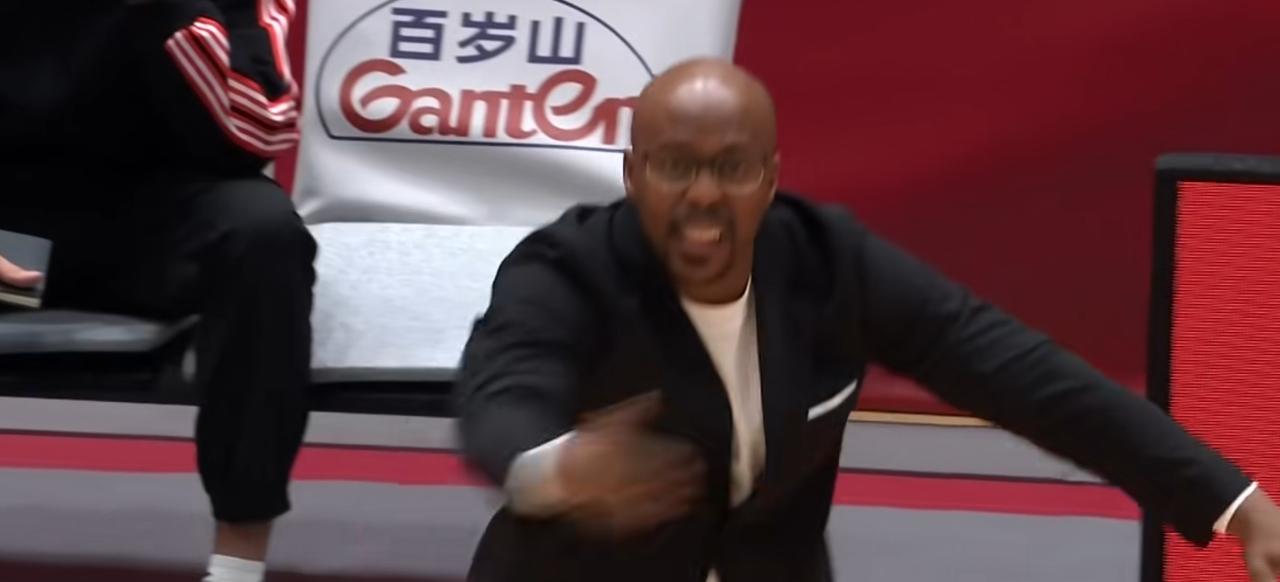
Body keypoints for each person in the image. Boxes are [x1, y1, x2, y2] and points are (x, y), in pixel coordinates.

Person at [455, 58, 1280, 582]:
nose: (703, 195)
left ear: (770, 178)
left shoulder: (831, 264)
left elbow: (1032, 381)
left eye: (732, 169)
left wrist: (1237, 504)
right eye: (675, 167)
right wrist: (560, 470)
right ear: (633, 174)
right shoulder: (566, 270)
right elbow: (503, 397)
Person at [0, 2, 314, 581]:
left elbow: (258, 133)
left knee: (263, 240)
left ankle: (236, 569)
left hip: (153, 240)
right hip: (13, 245)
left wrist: (166, 13)